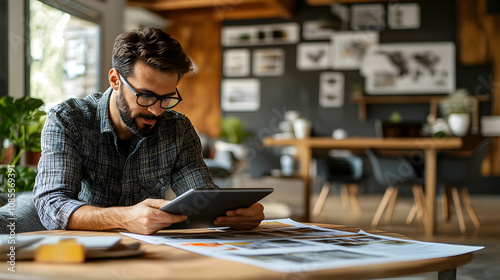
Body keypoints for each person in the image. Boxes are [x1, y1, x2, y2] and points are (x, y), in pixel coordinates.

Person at [33, 27, 264, 235]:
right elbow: (51, 204)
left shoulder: (178, 129)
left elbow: (202, 198)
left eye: (166, 98)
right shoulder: (68, 119)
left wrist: (237, 214)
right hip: (84, 253)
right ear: (115, 79)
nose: (155, 111)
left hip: (152, 253)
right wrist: (124, 217)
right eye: (145, 96)